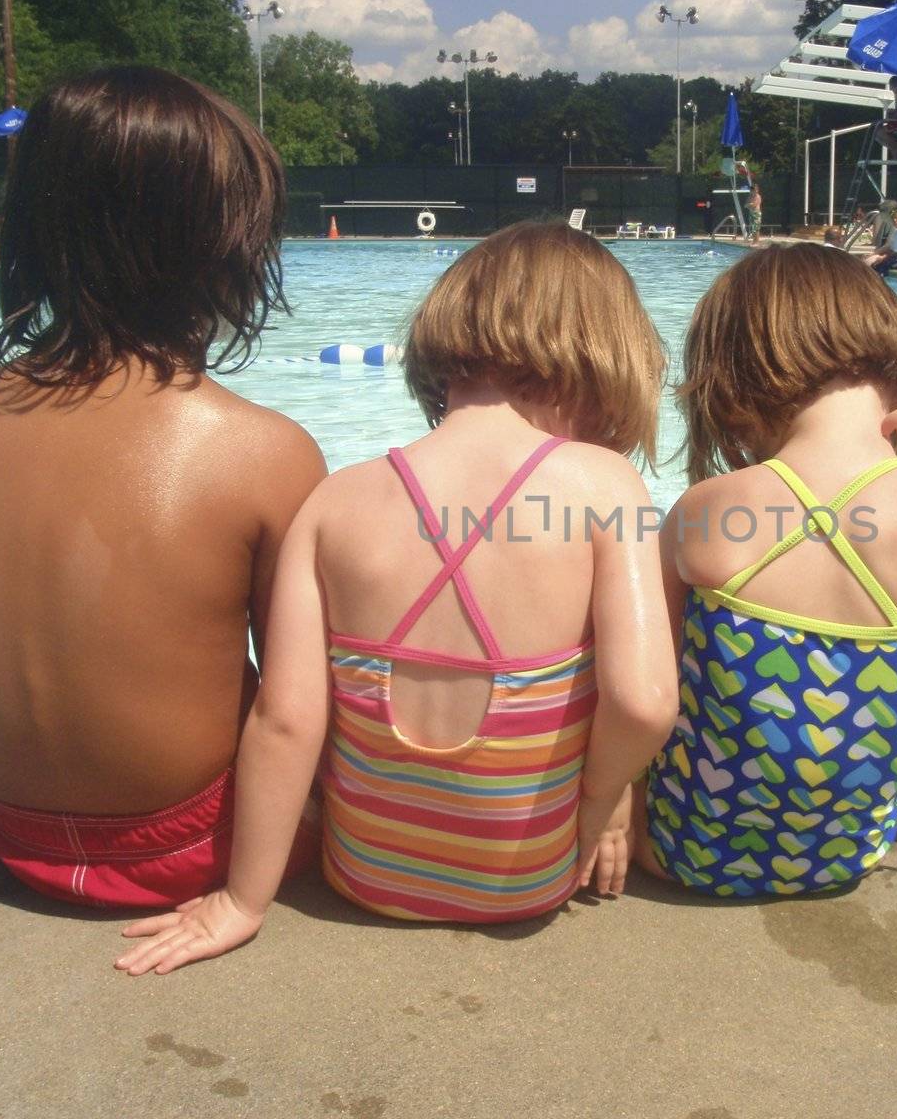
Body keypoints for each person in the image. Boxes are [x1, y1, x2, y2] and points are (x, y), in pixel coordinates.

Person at [116, 223, 679, 973]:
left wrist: (242, 901)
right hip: (525, 885)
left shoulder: (334, 502)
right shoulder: (603, 486)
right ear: (603, 354)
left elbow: (285, 721)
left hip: (367, 880)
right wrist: (599, 804)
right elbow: (642, 704)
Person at [0, 66, 327, 909]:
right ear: (223, 251)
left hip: (7, 830)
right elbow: (294, 712)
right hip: (193, 842)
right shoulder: (262, 450)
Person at [635, 243, 897, 897]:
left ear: (734, 388)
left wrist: (619, 817)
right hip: (845, 859)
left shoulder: (707, 511)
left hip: (683, 854)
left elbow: (644, 693)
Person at [865, 209, 897, 274]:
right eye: (893, 218)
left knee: (879, 266)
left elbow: (895, 253)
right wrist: (873, 254)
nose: (894, 220)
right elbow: (889, 247)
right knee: (874, 263)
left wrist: (882, 258)